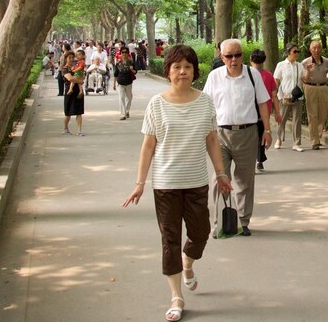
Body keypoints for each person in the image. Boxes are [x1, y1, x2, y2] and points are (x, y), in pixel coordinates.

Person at [122, 44, 232, 322]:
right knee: (170, 239)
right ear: (168, 71)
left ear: (194, 70)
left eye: (187, 67)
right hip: (166, 184)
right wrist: (140, 183)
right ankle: (176, 296)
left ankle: (188, 264)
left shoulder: (205, 101)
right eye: (177, 67)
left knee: (201, 233)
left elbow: (211, 140)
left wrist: (221, 174)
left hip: (196, 182)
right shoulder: (157, 104)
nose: (182, 72)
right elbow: (148, 146)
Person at [201, 39, 271, 236]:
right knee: (219, 179)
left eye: (237, 55)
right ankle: (220, 223)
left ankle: (243, 220)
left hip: (247, 133)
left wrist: (267, 129)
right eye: (229, 56)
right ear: (222, 57)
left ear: (242, 55)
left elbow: (262, 103)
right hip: (220, 135)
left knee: (245, 180)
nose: (234, 59)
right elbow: (206, 106)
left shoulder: (252, 74)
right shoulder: (215, 77)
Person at [249, 49, 281, 172]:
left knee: (250, 137)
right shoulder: (269, 75)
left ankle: (252, 161)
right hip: (265, 111)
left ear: (251, 60)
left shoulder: (248, 74)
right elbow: (274, 96)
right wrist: (277, 112)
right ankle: (259, 159)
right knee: (263, 134)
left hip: (250, 111)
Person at [301, 40, 328, 150]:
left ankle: (318, 135)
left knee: (323, 112)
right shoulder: (305, 62)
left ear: (321, 49)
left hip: (323, 87)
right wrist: (309, 71)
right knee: (312, 114)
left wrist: (326, 79)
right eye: (314, 48)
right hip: (310, 87)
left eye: (318, 47)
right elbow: (302, 78)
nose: (316, 50)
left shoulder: (326, 61)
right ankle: (315, 141)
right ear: (310, 50)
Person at [273, 43, 306, 151]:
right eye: (294, 51)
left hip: (297, 97)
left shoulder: (300, 65)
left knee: (297, 120)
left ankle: (296, 143)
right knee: (281, 119)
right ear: (288, 53)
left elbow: (304, 79)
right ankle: (279, 139)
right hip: (284, 96)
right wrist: (277, 94)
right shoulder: (281, 65)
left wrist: (309, 71)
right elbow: (276, 80)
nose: (296, 54)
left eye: (298, 52)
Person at [62, 49, 87, 136]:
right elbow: (70, 79)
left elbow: (83, 76)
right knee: (68, 113)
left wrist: (80, 79)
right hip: (69, 91)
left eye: (73, 57)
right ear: (66, 59)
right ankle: (65, 128)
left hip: (78, 91)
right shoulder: (64, 69)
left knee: (79, 112)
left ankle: (79, 130)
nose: (71, 59)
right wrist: (79, 80)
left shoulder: (76, 66)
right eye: (69, 57)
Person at [116, 48, 137, 120]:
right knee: (121, 98)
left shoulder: (131, 62)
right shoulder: (118, 63)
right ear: (121, 54)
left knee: (129, 97)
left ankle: (127, 110)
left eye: (125, 52)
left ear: (128, 54)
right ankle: (123, 114)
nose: (124, 54)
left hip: (128, 82)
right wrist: (114, 84)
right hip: (120, 82)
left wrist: (132, 70)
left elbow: (135, 71)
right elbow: (116, 74)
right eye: (122, 52)